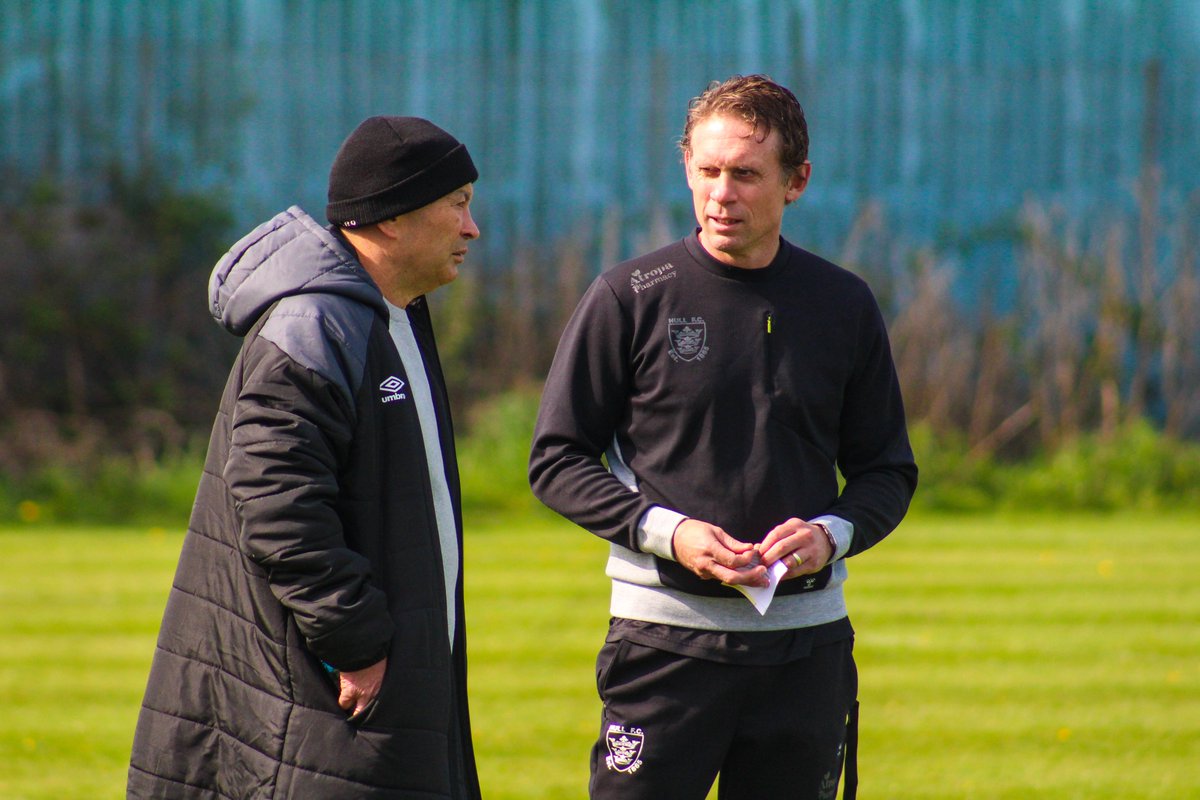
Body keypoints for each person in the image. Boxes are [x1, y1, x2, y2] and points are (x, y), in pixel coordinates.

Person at [529, 75, 918, 799]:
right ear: (686, 167)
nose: (721, 194)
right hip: (661, 648)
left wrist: (832, 533)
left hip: (806, 654)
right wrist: (665, 532)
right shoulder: (628, 296)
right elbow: (557, 459)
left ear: (797, 181)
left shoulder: (844, 304)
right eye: (707, 171)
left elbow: (886, 471)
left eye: (745, 174)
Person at [128, 116, 483, 799]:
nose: (472, 229)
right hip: (332, 694)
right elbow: (277, 505)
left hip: (382, 681)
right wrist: (355, 643)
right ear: (389, 221)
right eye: (458, 205)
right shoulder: (314, 326)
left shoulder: (391, 311)